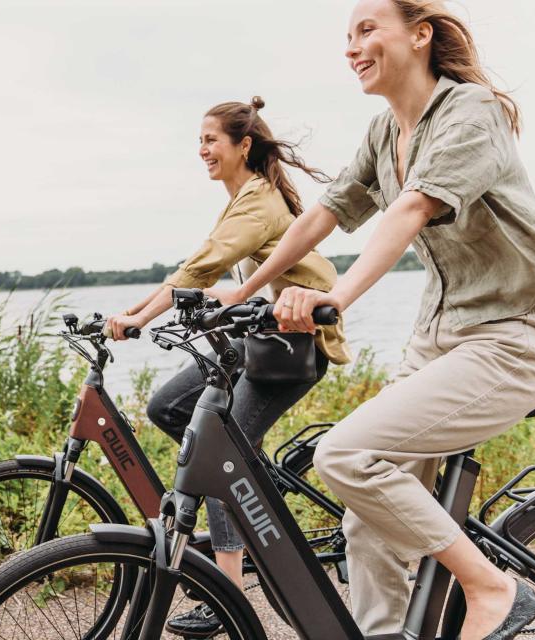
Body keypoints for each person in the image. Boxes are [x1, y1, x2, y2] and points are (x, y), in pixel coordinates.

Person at [206, 1, 535, 638]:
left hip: (509, 343)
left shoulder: (472, 112)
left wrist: (336, 299)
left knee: (344, 454)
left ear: (420, 35)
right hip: (436, 344)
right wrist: (243, 296)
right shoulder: (385, 131)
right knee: (366, 521)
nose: (352, 47)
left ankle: (492, 588)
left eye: (367, 30)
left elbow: (409, 211)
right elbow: (323, 213)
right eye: (347, 36)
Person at [105, 97, 351, 637]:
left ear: (243, 145)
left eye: (211, 140)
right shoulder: (243, 198)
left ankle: (228, 593)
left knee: (222, 452)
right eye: (199, 141)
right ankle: (253, 494)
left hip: (290, 347)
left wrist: (137, 316)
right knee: (168, 406)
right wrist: (137, 315)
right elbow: (200, 269)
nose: (203, 150)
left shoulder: (258, 201)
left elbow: (201, 266)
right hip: (258, 341)